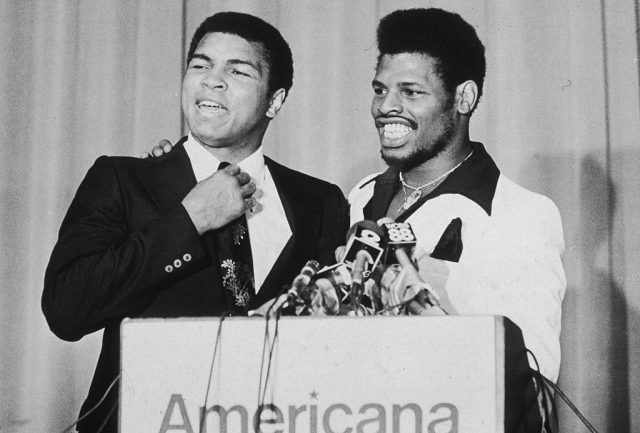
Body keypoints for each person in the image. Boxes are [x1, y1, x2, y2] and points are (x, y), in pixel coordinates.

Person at [42, 12, 348, 432]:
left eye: (237, 70)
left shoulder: (320, 201)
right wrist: (190, 219)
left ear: (275, 101)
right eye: (200, 65)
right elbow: (66, 311)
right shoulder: (122, 179)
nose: (212, 80)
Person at [349, 7, 566, 386]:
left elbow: (532, 382)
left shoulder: (520, 214)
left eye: (411, 92)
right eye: (380, 90)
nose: (385, 108)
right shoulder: (361, 195)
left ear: (464, 98)